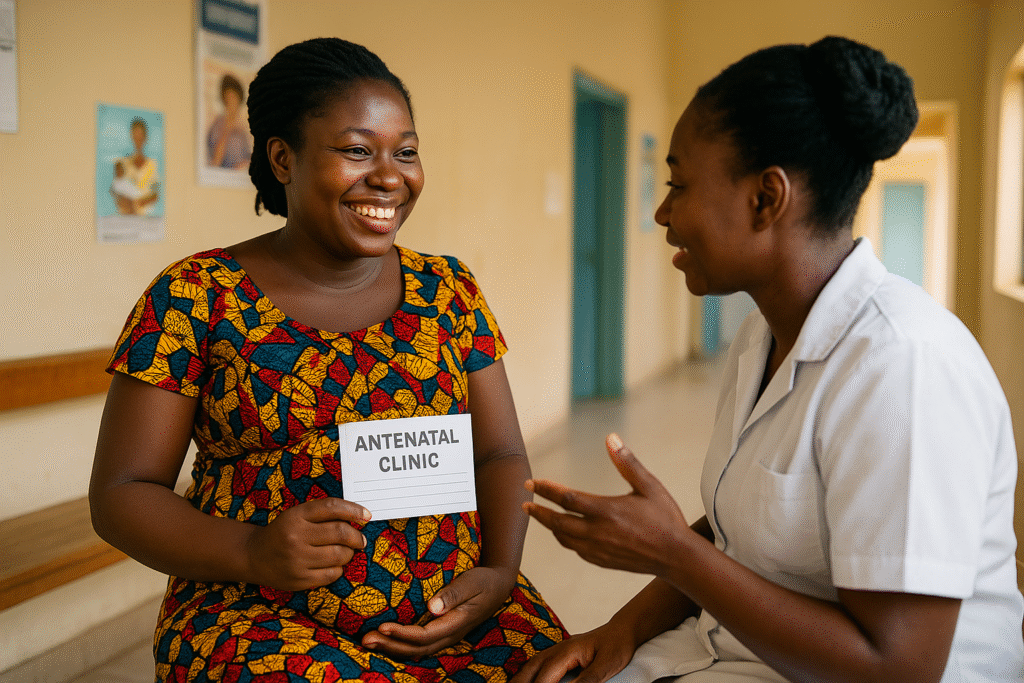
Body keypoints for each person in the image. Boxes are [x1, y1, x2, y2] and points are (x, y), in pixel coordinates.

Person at [513, 36, 1024, 683]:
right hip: (736, 652)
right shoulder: (761, 336)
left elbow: (898, 666)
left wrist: (670, 551)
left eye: (679, 184)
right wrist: (622, 630)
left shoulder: (904, 365)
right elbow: (739, 534)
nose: (662, 213)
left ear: (766, 198)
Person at [91, 37, 566, 682]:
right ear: (283, 159)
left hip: (454, 610)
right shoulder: (196, 295)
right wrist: (253, 551)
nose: (390, 177)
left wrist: (501, 573)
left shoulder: (449, 291)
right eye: (357, 151)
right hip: (262, 616)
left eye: (405, 152)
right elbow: (123, 494)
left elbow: (500, 453)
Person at [113, 117, 159, 215]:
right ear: (131, 137)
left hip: (145, 217)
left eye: (140, 135)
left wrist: (141, 202)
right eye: (135, 135)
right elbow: (117, 191)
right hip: (126, 216)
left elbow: (156, 195)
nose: (137, 139)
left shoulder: (152, 164)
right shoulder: (123, 163)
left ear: (145, 137)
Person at [206, 72, 252, 170]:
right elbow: (215, 162)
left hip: (239, 179)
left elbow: (247, 159)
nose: (233, 105)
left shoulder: (242, 131)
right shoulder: (218, 124)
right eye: (229, 99)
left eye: (235, 99)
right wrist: (227, 131)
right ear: (224, 100)